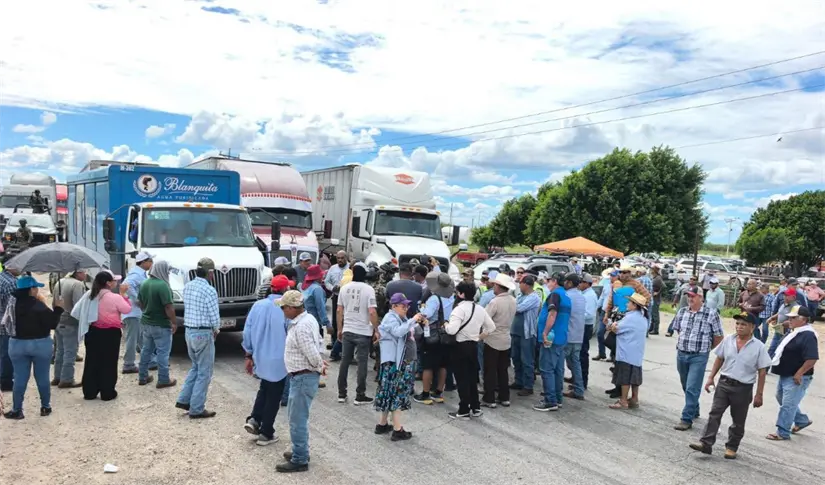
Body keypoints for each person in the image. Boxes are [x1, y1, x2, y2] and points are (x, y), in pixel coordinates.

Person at [689, 312, 771, 459]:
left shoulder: (759, 347)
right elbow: (719, 359)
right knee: (715, 413)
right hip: (724, 383)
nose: (739, 327)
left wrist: (759, 394)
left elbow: (762, 372)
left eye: (743, 324)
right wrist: (711, 378)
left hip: (743, 388)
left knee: (738, 420)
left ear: (752, 327)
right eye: (738, 324)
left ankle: (732, 446)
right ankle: (706, 443)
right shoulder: (728, 340)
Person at [276, 290, 327, 473]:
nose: (282, 310)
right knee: (297, 417)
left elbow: (311, 352)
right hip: (302, 376)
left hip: (303, 376)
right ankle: (301, 451)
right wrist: (320, 362)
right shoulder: (308, 320)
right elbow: (319, 342)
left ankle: (300, 459)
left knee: (297, 419)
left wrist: (319, 364)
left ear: (292, 308)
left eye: (284, 308)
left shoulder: (301, 326)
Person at [1, 275, 62, 419]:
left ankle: (17, 410)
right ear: (30, 290)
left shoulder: (12, 304)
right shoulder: (39, 306)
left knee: (20, 378)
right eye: (35, 288)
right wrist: (58, 308)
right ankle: (45, 407)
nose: (37, 290)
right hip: (40, 344)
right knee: (42, 377)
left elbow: (7, 323)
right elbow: (52, 324)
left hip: (17, 344)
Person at [243, 275, 292, 446]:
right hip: (279, 359)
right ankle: (266, 432)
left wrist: (248, 354)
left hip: (260, 356)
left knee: (264, 388)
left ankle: (255, 419)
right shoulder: (286, 309)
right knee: (274, 396)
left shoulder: (257, 305)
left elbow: (247, 331)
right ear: (285, 290)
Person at [671, 288, 725, 431]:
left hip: (699, 355)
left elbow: (719, 336)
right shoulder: (682, 312)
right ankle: (694, 408)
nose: (690, 299)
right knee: (685, 384)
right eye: (688, 296)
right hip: (682, 353)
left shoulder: (711, 314)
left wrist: (706, 348)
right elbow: (678, 329)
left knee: (692, 387)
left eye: (693, 296)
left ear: (701, 297)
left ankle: (686, 418)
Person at [766, 306, 818, 441]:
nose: (790, 319)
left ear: (804, 320)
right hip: (786, 372)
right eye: (789, 317)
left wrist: (799, 373)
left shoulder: (808, 335)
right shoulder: (794, 331)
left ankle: (783, 431)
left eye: (793, 318)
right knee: (781, 397)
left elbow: (812, 358)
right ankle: (801, 420)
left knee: (788, 404)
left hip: (796, 376)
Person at [176, 258, 220, 418]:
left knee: (195, 367)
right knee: (204, 372)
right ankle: (196, 408)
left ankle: (184, 399)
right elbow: (214, 316)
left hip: (189, 331)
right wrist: (216, 329)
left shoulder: (188, 286)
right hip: (203, 332)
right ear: (210, 273)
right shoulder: (209, 290)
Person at [445, 281, 495, 419]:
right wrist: (479, 337)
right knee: (472, 378)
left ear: (461, 294)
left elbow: (452, 330)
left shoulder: (459, 310)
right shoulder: (479, 309)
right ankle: (475, 407)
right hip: (473, 346)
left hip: (460, 347)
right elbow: (491, 327)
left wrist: (446, 325)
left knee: (462, 379)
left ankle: (463, 409)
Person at [374, 293, 421, 440]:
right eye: (403, 305)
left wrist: (418, 323)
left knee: (389, 392)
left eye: (407, 305)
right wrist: (413, 320)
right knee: (397, 394)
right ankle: (397, 428)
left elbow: (411, 332)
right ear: (394, 306)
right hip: (396, 362)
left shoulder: (401, 318)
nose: (406, 308)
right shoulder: (391, 318)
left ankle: (382, 424)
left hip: (399, 361)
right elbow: (398, 332)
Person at [80, 270, 131, 401]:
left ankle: (89, 391)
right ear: (108, 283)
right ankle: (107, 391)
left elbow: (77, 310)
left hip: (92, 331)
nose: (116, 282)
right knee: (109, 362)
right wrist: (123, 294)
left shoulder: (90, 295)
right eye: (114, 280)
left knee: (92, 361)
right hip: (110, 333)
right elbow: (126, 309)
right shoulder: (115, 297)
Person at [336, 264, 378, 405]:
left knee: (345, 362)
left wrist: (340, 328)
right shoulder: (369, 290)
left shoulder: (344, 288)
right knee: (362, 363)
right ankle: (360, 395)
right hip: (363, 331)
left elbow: (339, 310)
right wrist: (376, 329)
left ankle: (342, 393)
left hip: (348, 329)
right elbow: (372, 311)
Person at [413, 272, 455, 404]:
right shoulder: (450, 297)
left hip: (432, 335)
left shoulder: (434, 298)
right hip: (445, 334)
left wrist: (419, 313)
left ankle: (425, 394)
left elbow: (427, 314)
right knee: (443, 365)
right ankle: (438, 393)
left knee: (428, 365)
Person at [137, 260, 177, 388]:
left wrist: (147, 312)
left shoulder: (144, 283)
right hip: (161, 324)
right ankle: (163, 379)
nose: (168, 273)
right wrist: (174, 322)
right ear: (162, 270)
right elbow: (168, 307)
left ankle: (142, 376)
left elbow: (140, 303)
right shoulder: (163, 285)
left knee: (146, 351)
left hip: (147, 323)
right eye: (167, 270)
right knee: (163, 353)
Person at [534, 272, 570, 412]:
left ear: (554, 281)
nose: (547, 283)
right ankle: (557, 398)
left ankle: (550, 400)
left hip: (551, 337)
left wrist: (545, 332)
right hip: (561, 337)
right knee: (558, 369)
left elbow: (552, 314)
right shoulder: (566, 295)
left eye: (548, 280)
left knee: (547, 369)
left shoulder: (555, 295)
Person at [606, 293, 649, 410]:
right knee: (635, 377)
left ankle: (623, 400)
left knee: (625, 377)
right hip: (637, 352)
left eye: (629, 302)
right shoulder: (643, 317)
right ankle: (634, 399)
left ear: (635, 305)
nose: (627, 304)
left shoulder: (631, 317)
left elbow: (617, 329)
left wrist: (612, 324)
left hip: (626, 351)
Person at [481, 273, 517, 408]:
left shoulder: (495, 302)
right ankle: (504, 396)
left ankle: (489, 398)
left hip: (493, 338)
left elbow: (486, 318)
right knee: (503, 369)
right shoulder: (513, 300)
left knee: (490, 370)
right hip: (506, 338)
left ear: (499, 286)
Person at [51, 270, 87, 387]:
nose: (86, 275)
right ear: (78, 273)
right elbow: (78, 306)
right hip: (70, 322)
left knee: (59, 351)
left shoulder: (59, 282)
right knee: (70, 352)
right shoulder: (77, 285)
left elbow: (53, 303)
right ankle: (66, 379)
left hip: (58, 320)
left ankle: (57, 377)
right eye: (84, 272)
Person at [122, 251, 156, 374]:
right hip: (133, 312)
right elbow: (126, 285)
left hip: (136, 313)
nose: (152, 263)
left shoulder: (139, 273)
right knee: (133, 338)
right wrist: (137, 300)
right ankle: (128, 364)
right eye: (150, 261)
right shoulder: (136, 274)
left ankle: (151, 360)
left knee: (142, 337)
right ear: (144, 262)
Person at [511, 274, 541, 397]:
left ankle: (528, 386)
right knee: (515, 357)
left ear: (527, 284)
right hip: (515, 332)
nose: (519, 285)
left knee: (527, 360)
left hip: (527, 333)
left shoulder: (534, 297)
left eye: (520, 283)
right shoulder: (520, 296)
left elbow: (518, 308)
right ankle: (519, 381)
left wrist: (511, 307)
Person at [325, 251, 349, 358]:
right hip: (336, 296)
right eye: (338, 258)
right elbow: (326, 281)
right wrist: (332, 288)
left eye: (342, 258)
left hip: (348, 299)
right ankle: (334, 342)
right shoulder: (332, 268)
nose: (340, 260)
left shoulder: (350, 268)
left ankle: (344, 347)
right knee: (335, 320)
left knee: (346, 320)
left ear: (346, 258)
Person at [0, 266, 19, 391]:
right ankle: (6, 381)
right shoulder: (12, 283)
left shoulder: (1, 277)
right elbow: (15, 306)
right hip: (8, 323)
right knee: (7, 354)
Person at [765, 288, 798, 358]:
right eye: (784, 295)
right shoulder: (784, 304)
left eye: (787, 295)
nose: (785, 297)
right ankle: (767, 365)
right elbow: (779, 313)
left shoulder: (796, 307)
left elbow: (796, 321)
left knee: (780, 350)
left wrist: (788, 323)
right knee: (772, 349)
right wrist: (772, 318)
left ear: (793, 297)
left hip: (787, 332)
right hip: (779, 330)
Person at [593, 269, 618, 360]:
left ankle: (613, 355)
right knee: (600, 333)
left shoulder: (619, 287)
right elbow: (602, 298)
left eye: (613, 275)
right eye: (611, 275)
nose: (611, 277)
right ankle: (601, 353)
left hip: (613, 312)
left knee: (613, 334)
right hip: (604, 312)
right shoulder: (606, 285)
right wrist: (596, 307)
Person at [579, 273, 598, 390]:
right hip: (584, 325)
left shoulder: (589, 296)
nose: (579, 284)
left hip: (586, 326)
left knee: (582, 354)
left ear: (587, 284)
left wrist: (576, 315)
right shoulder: (585, 294)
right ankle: (578, 377)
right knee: (580, 353)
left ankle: (583, 380)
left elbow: (589, 314)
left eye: (581, 282)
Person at [302, 264, 330, 337]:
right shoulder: (317, 289)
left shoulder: (306, 287)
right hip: (315, 322)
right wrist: (327, 324)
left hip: (305, 321)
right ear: (318, 277)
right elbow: (320, 307)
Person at [649, 266, 664, 335]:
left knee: (655, 314)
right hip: (653, 297)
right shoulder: (654, 277)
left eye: (651, 269)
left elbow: (663, 286)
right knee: (652, 313)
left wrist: (657, 293)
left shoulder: (658, 278)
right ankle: (651, 328)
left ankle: (655, 329)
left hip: (656, 298)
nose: (650, 270)